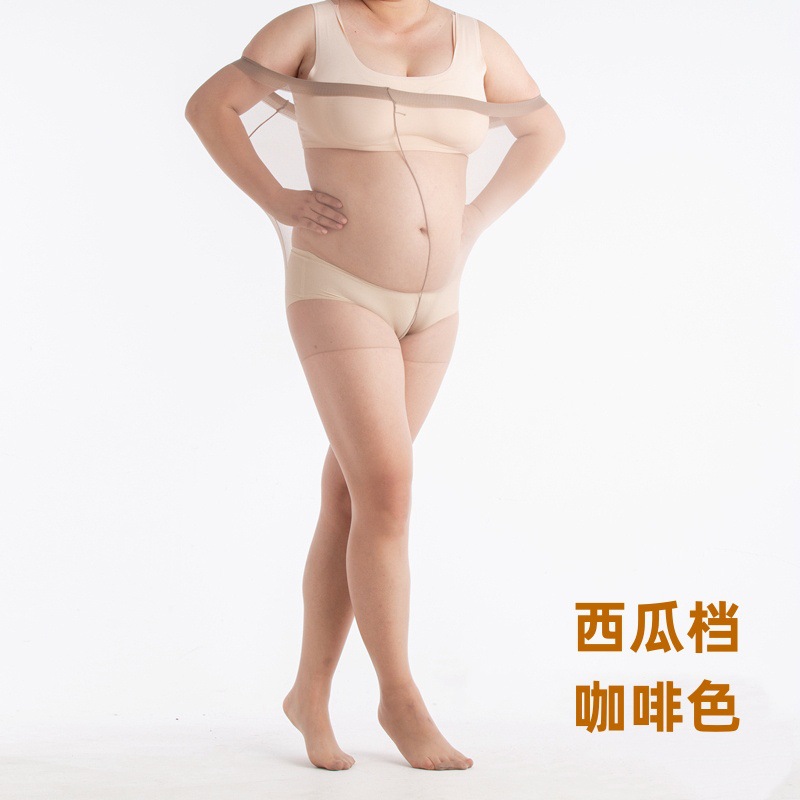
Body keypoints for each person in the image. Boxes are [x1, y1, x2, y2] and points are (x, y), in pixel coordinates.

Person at [185, 0, 565, 772]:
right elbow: (210, 106)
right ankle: (400, 699)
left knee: (353, 496)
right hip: (339, 286)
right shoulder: (311, 28)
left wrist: (475, 217)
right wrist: (277, 199)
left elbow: (544, 131)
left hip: (437, 305)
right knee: (387, 489)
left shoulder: (476, 42)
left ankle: (309, 693)